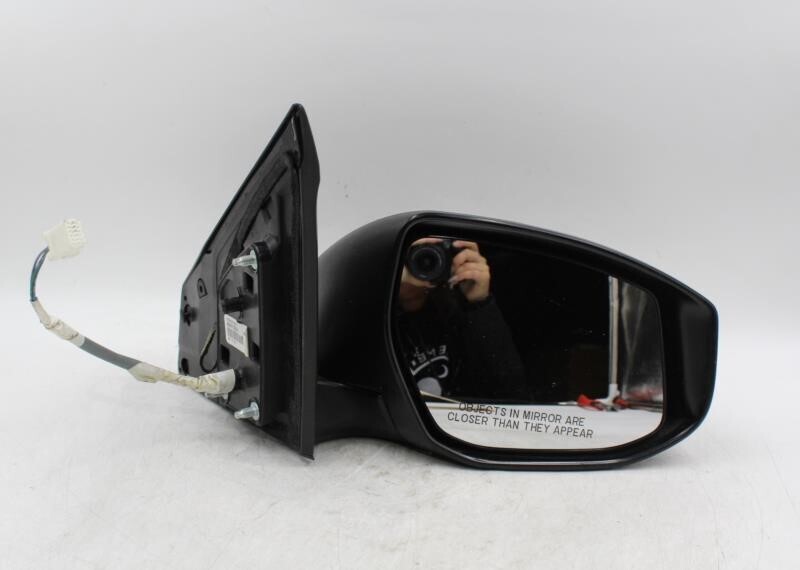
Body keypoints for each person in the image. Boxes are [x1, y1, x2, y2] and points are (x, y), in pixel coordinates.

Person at [395, 238, 528, 402]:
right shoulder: (373, 305)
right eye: (410, 250)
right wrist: (389, 275)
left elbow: (511, 393)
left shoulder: (456, 312)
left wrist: (479, 303)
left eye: (432, 249)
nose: (424, 259)